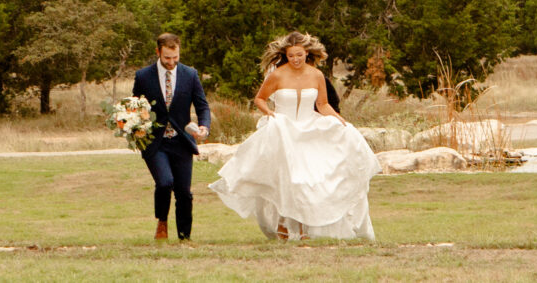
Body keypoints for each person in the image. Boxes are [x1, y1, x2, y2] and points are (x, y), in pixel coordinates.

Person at [209, 31, 381, 240]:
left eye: (299, 55)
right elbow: (260, 99)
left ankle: (303, 227)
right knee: (290, 177)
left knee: (309, 178)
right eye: (291, 56)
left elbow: (322, 104)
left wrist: (338, 120)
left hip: (309, 129)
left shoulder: (316, 75)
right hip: (283, 129)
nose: (295, 59)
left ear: (306, 52)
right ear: (286, 55)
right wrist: (270, 114)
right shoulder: (278, 75)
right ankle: (287, 224)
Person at [132, 33, 211, 241]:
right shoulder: (142, 76)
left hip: (182, 141)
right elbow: (134, 106)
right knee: (165, 182)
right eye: (167, 58)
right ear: (158, 52)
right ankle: (162, 221)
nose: (172, 62)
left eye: (175, 57)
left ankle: (185, 237)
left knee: (184, 191)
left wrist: (204, 127)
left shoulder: (190, 74)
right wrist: (133, 127)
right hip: (154, 142)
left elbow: (202, 106)